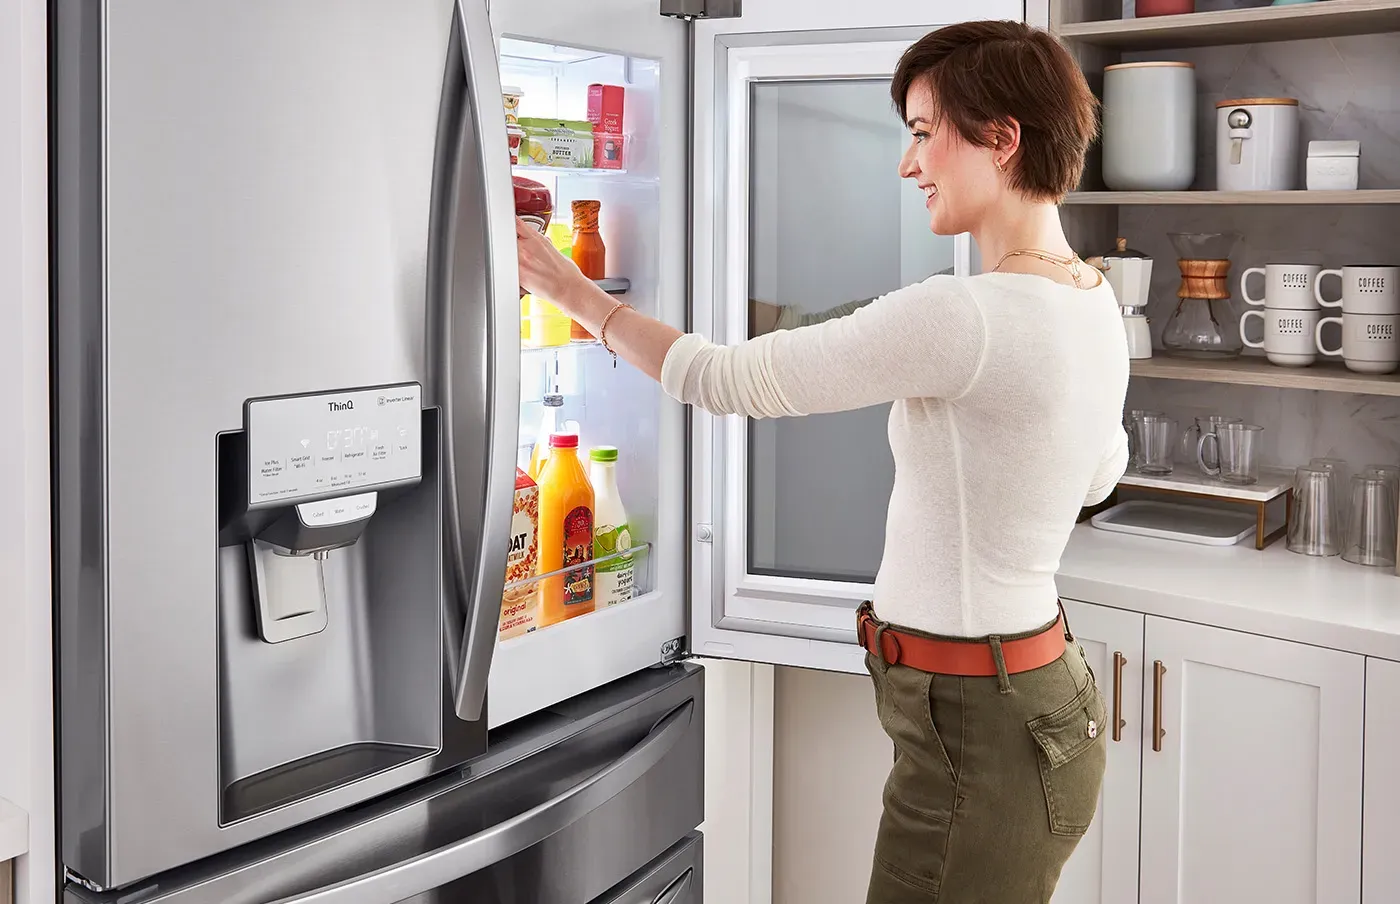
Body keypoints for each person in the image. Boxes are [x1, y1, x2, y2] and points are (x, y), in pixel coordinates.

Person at [515, 19, 1127, 903]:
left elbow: (728, 381)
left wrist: (568, 289)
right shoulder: (1091, 297)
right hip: (1038, 706)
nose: (907, 164)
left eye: (923, 133)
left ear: (1002, 137)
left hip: (980, 729)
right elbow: (1099, 470)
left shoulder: (967, 315)